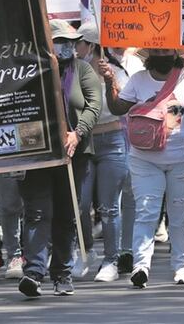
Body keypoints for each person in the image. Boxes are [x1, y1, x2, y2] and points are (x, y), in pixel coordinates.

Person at [106, 46, 184, 288]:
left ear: (176, 51)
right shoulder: (139, 79)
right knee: (146, 211)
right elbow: (117, 108)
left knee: (181, 214)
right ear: (149, 53)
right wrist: (109, 82)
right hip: (144, 159)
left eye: (166, 51)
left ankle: (181, 267)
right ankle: (141, 265)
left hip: (183, 158)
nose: (162, 56)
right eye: (157, 51)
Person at [16, 20, 101, 298]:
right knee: (37, 212)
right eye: (60, 40)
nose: (66, 46)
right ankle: (33, 272)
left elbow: (93, 105)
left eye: (69, 41)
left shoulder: (83, 69)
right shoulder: (31, 69)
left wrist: (77, 133)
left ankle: (62, 273)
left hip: (74, 153)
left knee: (67, 214)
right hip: (38, 153)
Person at [75, 22, 130, 282]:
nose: (75, 48)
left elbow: (124, 105)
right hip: (83, 144)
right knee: (80, 204)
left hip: (113, 142)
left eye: (79, 43)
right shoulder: (71, 72)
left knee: (109, 207)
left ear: (92, 45)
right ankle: (84, 251)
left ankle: (111, 260)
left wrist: (111, 82)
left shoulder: (117, 70)